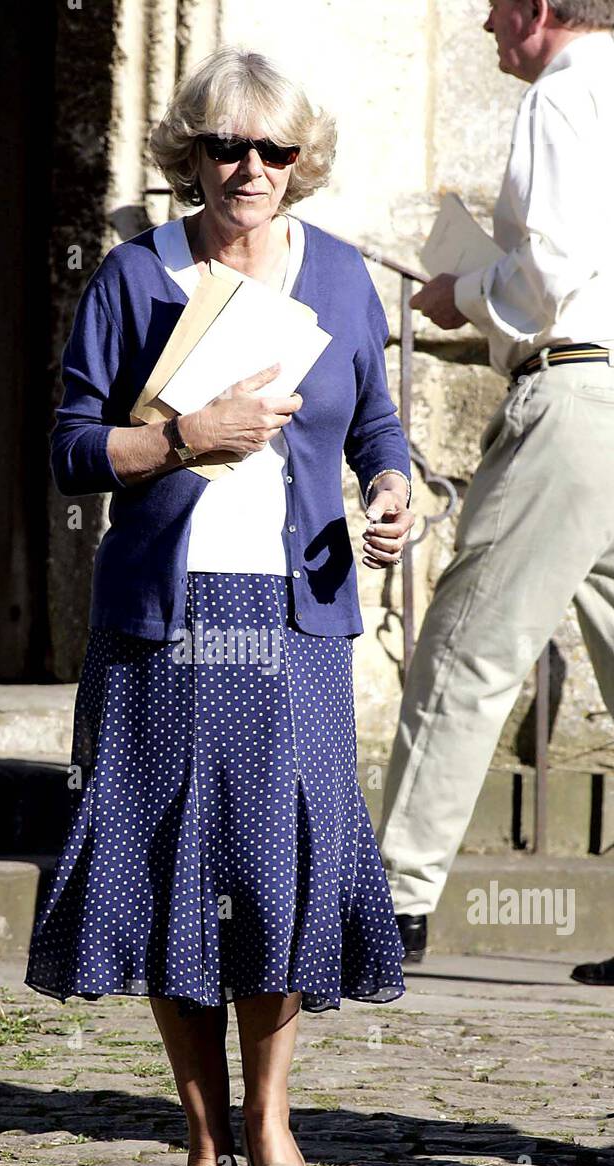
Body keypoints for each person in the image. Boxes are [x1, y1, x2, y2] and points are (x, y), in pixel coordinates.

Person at [24, 46, 415, 1166]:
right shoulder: (136, 276)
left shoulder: (343, 279)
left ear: (303, 163)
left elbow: (378, 423)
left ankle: (273, 1125)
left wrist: (393, 487)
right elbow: (72, 447)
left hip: (294, 617)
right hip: (162, 615)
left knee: (277, 869)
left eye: (274, 151)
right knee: (164, 871)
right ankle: (200, 1152)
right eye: (224, 147)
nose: (249, 169)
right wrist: (183, 436)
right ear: (187, 153)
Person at [375, 0, 614, 967]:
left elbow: (550, 275)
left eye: (495, 5)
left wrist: (460, 291)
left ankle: (389, 907)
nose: (482, 24)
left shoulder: (565, 95)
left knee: (467, 649)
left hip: (579, 402)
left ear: (542, 9)